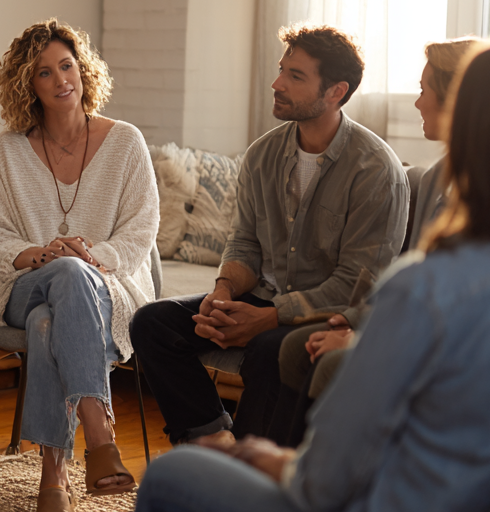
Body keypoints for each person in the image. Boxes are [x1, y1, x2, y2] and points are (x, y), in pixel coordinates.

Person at [119, 39, 490, 512]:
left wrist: (266, 457)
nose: (419, 103)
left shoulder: (428, 292)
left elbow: (325, 487)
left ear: (478, 135)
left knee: (174, 483)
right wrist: (231, 295)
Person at [129, 23, 409, 446]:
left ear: (335, 91)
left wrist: (270, 317)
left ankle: (250, 467)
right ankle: (213, 440)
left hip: (325, 313)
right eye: (282, 70)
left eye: (296, 76)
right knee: (153, 323)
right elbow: (245, 243)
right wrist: (222, 293)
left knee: (269, 349)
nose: (277, 84)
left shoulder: (375, 171)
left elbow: (357, 283)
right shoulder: (262, 155)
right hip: (263, 298)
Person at [0, 19, 159, 512]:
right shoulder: (8, 151)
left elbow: (140, 232)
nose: (61, 80)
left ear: (83, 69)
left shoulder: (126, 143)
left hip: (107, 287)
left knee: (46, 328)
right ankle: (100, 438)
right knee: (64, 276)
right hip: (26, 283)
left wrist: (85, 257)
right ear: (26, 86)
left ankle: (53, 480)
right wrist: (43, 254)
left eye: (67, 65)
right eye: (43, 73)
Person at [275, 36, 479, 441]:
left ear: (459, 99)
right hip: (412, 325)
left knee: (326, 359)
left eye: (424, 92)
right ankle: (291, 470)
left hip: (453, 343)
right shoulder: (438, 175)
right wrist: (351, 321)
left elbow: (453, 301)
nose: (418, 103)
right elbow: (412, 282)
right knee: (298, 346)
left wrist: (365, 335)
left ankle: (308, 480)